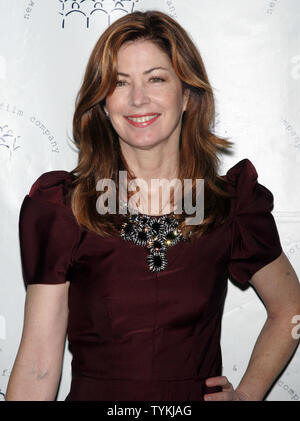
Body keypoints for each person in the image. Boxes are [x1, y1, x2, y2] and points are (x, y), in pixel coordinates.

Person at [6, 10, 300, 401]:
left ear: (187, 97)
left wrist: (247, 395)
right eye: (119, 82)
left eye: (156, 79)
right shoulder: (66, 208)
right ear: (103, 102)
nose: (137, 98)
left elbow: (291, 310)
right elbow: (37, 364)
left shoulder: (225, 207)